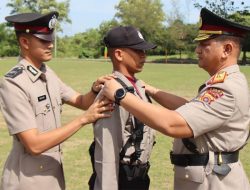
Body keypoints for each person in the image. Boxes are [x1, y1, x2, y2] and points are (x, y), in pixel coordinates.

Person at [101, 8, 250, 190]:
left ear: (227, 50)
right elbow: (190, 108)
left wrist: (120, 95)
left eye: (204, 45)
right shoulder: (228, 81)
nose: (197, 50)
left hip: (214, 182)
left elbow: (173, 124)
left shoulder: (225, 88)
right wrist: (152, 91)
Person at [0, 11, 113, 190]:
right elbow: (34, 145)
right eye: (44, 40)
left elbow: (81, 101)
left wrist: (94, 89)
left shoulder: (47, 73)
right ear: (25, 42)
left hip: (53, 175)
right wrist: (84, 119)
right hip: (28, 180)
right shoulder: (14, 83)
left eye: (50, 39)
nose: (51, 45)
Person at [88, 26, 157, 190]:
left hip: (138, 178)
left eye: (144, 51)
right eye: (138, 51)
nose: (144, 55)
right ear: (119, 54)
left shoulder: (138, 86)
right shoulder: (112, 92)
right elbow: (107, 153)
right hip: (121, 180)